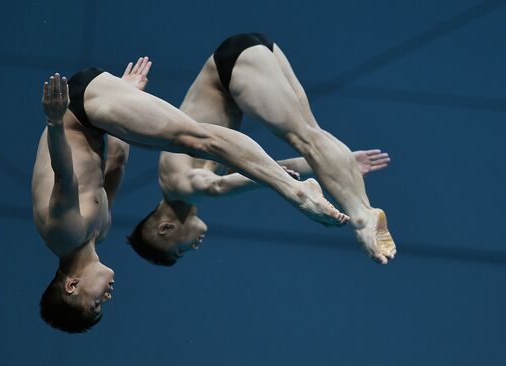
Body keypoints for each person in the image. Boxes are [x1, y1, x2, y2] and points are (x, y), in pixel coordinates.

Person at [33, 55, 347, 332]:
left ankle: (296, 194)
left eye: (96, 305)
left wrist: (55, 121)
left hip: (75, 110)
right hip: (95, 113)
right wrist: (124, 97)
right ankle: (292, 187)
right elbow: (114, 163)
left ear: (72, 286)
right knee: (197, 139)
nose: (108, 297)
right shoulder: (97, 232)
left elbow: (66, 176)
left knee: (200, 140)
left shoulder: (64, 235)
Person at [128, 33, 395, 266]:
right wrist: (332, 163)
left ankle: (361, 217)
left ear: (165, 228)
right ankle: (362, 208)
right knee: (312, 133)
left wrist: (275, 184)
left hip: (231, 73)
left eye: (180, 252)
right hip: (241, 57)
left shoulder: (178, 187)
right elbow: (260, 165)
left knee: (305, 137)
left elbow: (217, 186)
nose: (193, 248)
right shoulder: (179, 183)